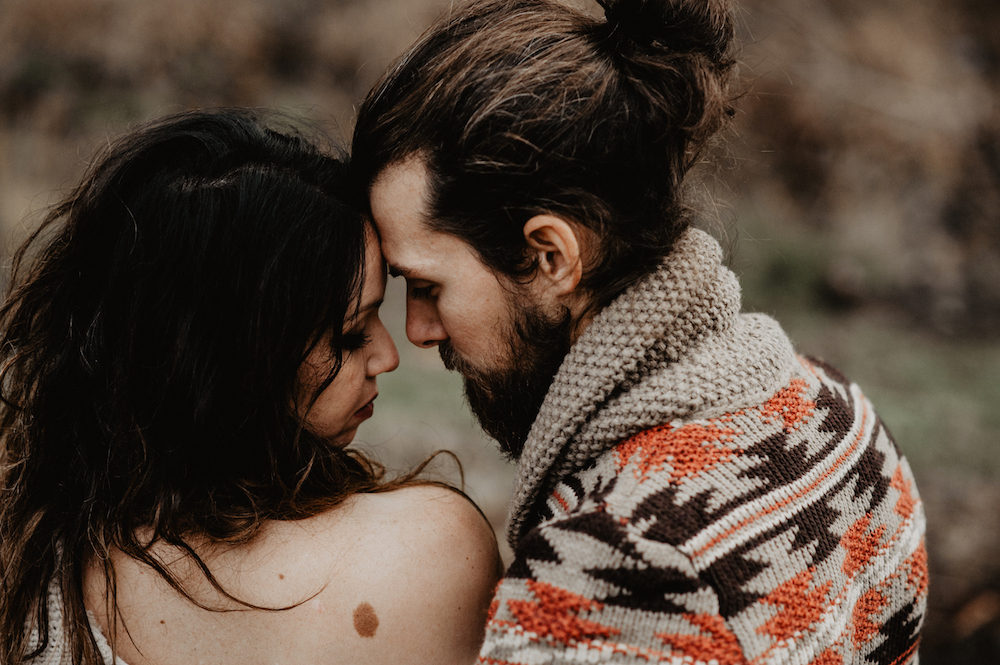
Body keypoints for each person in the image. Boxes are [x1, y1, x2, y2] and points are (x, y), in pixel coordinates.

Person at [351, 0, 928, 663]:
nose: (417, 331)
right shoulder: (840, 416)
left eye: (427, 286)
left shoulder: (617, 566)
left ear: (552, 257)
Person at [0, 109, 501, 665]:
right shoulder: (427, 551)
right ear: (239, 363)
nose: (387, 356)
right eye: (351, 335)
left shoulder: (35, 565)